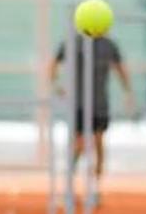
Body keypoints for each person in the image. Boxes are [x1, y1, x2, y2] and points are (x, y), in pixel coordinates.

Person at [49, 31, 134, 203]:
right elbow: (53, 64)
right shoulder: (72, 42)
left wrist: (128, 92)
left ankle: (95, 189)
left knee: (98, 143)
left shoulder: (109, 44)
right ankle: (70, 188)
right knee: (79, 144)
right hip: (78, 104)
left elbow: (120, 69)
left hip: (99, 104)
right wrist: (56, 86)